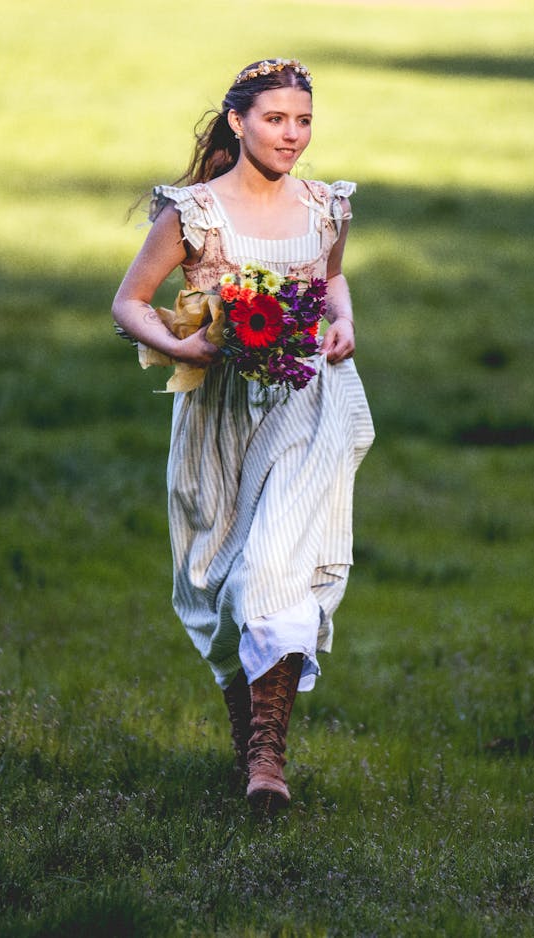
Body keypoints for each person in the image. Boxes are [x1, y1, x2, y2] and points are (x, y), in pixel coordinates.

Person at [112, 58, 374, 814]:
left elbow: (330, 280)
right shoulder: (194, 214)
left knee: (275, 568)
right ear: (238, 122)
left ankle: (269, 758)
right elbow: (130, 301)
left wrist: (344, 322)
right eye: (275, 119)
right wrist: (179, 345)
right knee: (214, 582)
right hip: (218, 412)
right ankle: (251, 729)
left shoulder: (326, 206)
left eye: (303, 121)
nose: (292, 135)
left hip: (304, 405)